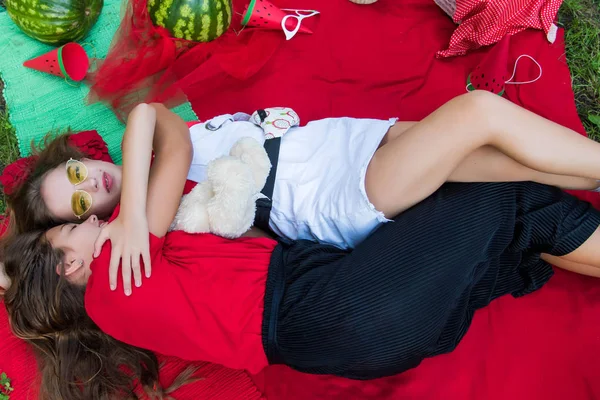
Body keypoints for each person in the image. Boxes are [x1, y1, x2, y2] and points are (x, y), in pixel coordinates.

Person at [4, 97, 600, 399]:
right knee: (494, 176)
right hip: (337, 305)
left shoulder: (137, 290)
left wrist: (131, 214)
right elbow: (155, 122)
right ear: (73, 263)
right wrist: (133, 217)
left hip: (350, 327)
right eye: (76, 225)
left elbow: (175, 145)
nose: (100, 223)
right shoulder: (117, 277)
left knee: (516, 205)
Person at [7, 92, 600, 295]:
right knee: (478, 113)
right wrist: (133, 216)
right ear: (93, 223)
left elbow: (151, 115)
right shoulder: (156, 208)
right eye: (81, 204)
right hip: (336, 194)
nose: (94, 183)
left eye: (78, 173)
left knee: (508, 166)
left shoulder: (154, 163)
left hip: (344, 145)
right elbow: (145, 115)